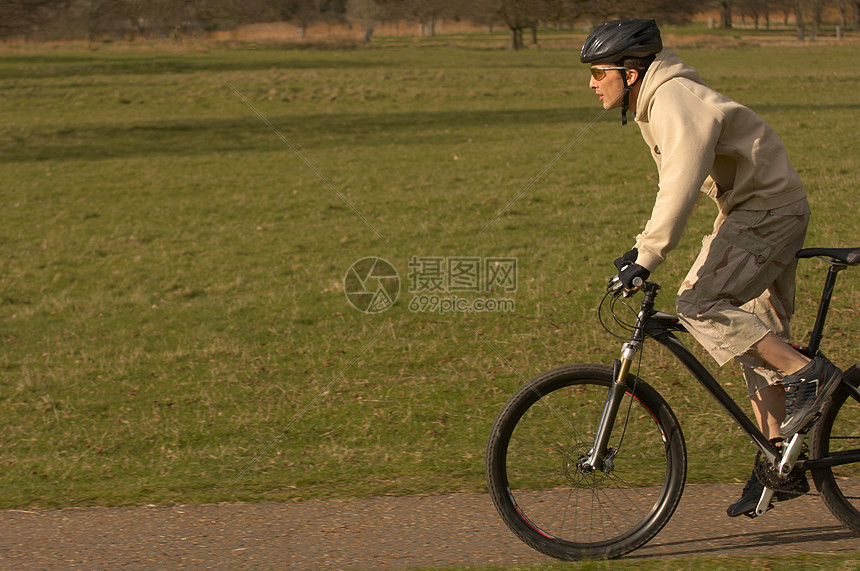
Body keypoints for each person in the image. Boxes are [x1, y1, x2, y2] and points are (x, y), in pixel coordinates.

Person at [580, 19, 844, 517]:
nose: (592, 84)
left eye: (599, 72)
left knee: (699, 304)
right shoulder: (660, 100)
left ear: (631, 73)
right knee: (756, 334)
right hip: (761, 208)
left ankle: (809, 375)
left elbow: (678, 184)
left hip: (764, 213)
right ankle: (779, 462)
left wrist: (647, 254)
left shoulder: (674, 100)